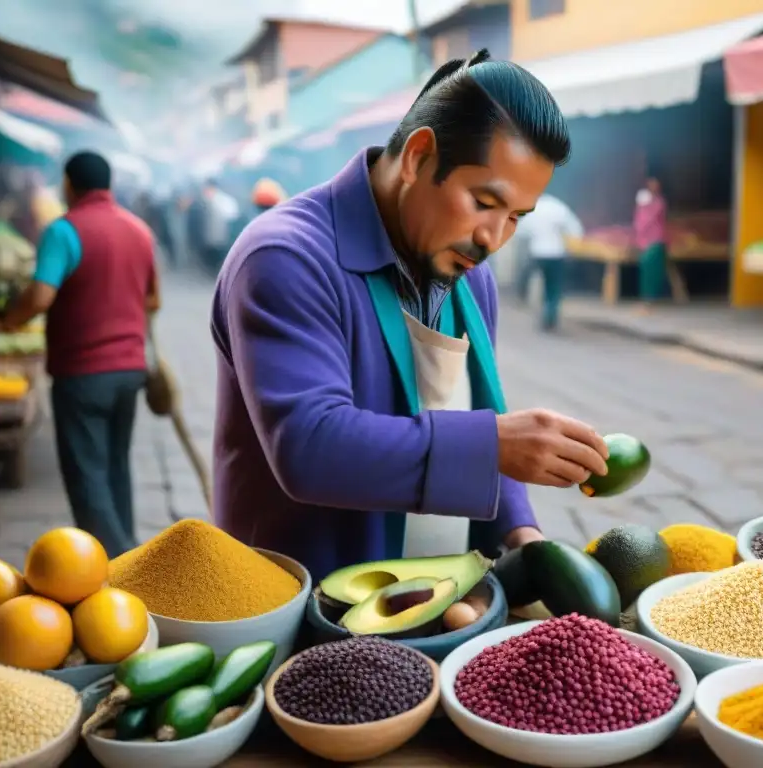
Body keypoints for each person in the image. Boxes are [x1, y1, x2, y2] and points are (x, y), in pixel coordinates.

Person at [211, 49, 610, 580]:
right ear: (420, 156)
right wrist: (495, 442)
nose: (493, 238)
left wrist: (521, 531)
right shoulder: (285, 258)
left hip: (439, 595)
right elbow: (309, 446)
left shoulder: (472, 273)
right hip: (303, 598)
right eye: (484, 202)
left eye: (515, 216)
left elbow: (481, 424)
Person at [0, 151, 159, 556]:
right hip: (130, 369)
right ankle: (132, 556)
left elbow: (40, 295)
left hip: (82, 372)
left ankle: (115, 566)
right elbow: (153, 299)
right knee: (116, 465)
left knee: (87, 471)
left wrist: (10, 320)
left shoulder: (63, 231)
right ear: (110, 185)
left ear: (69, 184)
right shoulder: (139, 230)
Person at [515, 194, 583, 330]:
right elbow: (575, 228)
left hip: (537, 252)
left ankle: (533, 304)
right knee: (553, 287)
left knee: (539, 282)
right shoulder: (558, 207)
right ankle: (550, 316)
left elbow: (520, 230)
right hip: (556, 253)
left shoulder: (533, 208)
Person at [634, 176, 668, 311]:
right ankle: (646, 298)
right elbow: (639, 220)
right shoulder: (643, 202)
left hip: (655, 239)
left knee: (653, 270)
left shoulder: (659, 202)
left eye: (656, 183)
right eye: (651, 183)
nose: (654, 186)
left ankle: (650, 299)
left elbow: (649, 219)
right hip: (644, 240)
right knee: (646, 269)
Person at [200, 179, 239, 272]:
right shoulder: (210, 200)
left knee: (219, 257)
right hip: (213, 238)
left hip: (221, 237)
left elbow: (231, 218)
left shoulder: (222, 201)